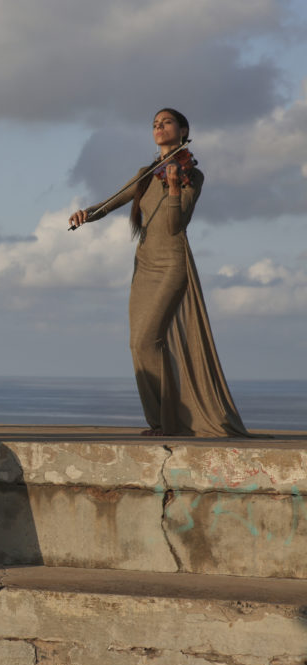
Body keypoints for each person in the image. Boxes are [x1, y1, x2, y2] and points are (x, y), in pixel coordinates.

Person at [68, 108, 253, 437]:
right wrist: (86, 214)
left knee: (149, 339)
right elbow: (110, 203)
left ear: (182, 129)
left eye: (166, 122)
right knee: (137, 346)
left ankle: (172, 423)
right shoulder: (145, 173)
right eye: (154, 124)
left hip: (171, 264)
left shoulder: (191, 175)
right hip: (144, 266)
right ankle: (159, 422)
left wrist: (172, 189)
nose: (158, 127)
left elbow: (174, 225)